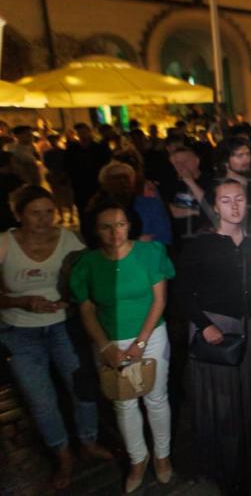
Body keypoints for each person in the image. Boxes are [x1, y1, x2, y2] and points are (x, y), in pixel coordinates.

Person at [0, 186, 112, 489]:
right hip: (20, 332)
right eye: (35, 213)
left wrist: (72, 299)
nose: (44, 219)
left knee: (82, 388)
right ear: (18, 214)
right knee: (42, 401)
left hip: (64, 325)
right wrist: (21, 302)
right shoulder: (5, 244)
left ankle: (88, 441)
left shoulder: (69, 239)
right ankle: (63, 454)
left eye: (49, 211)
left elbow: (88, 277)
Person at [175, 179, 251, 494]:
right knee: (223, 405)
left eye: (239, 199)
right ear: (215, 205)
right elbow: (181, 291)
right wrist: (203, 325)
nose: (233, 206)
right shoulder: (199, 244)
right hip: (216, 327)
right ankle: (225, 470)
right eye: (225, 200)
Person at [71, 200, 176, 494]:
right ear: (95, 230)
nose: (115, 232)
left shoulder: (149, 253)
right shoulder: (87, 264)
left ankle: (163, 455)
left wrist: (141, 342)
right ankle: (137, 460)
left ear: (130, 225)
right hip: (109, 342)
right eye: (106, 226)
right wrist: (105, 346)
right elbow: (87, 309)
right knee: (123, 402)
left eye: (120, 224)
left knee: (156, 398)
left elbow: (160, 300)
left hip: (151, 335)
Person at [165, 145, 215, 244]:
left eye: (185, 161)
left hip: (207, 237)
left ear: (197, 161)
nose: (181, 165)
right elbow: (172, 211)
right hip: (181, 241)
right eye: (177, 163)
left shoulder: (211, 180)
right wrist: (196, 211)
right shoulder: (171, 184)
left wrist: (190, 181)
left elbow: (210, 207)